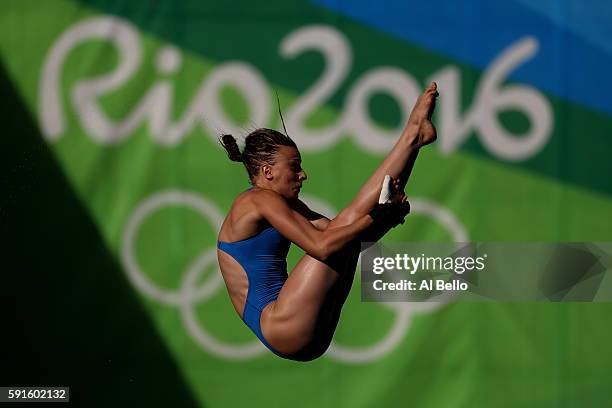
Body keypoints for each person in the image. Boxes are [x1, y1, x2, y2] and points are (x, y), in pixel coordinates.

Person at [217, 82, 439, 361]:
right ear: (267, 171)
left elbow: (348, 237)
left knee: (347, 231)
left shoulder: (280, 203)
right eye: (294, 167)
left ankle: (414, 139)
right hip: (281, 324)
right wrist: (377, 217)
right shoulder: (256, 200)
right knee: (347, 226)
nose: (303, 175)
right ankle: (412, 137)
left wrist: (388, 218)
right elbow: (323, 246)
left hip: (301, 332)